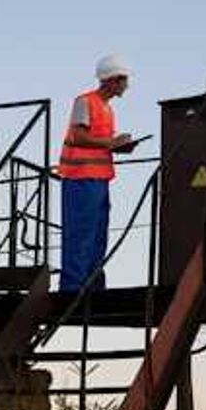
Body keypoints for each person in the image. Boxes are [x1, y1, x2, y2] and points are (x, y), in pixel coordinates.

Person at [58, 54, 141, 292]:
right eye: (124, 80)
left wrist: (119, 146)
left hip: (99, 179)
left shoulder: (107, 109)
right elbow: (78, 137)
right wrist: (111, 143)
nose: (126, 85)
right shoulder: (85, 102)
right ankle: (73, 287)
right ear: (113, 80)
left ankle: (92, 285)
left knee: (97, 236)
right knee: (81, 233)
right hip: (81, 179)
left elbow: (99, 142)